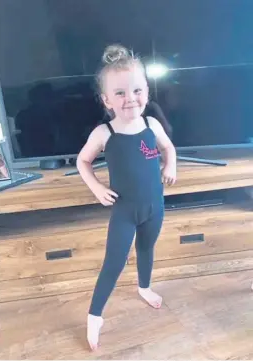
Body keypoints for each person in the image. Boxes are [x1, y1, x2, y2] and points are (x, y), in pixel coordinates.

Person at [76, 44, 177, 351]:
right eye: (119, 93)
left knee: (147, 248)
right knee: (114, 262)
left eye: (136, 90)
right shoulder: (104, 133)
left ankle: (144, 287)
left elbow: (168, 148)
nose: (130, 98)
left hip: (154, 207)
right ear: (106, 100)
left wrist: (170, 164)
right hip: (124, 210)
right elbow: (83, 162)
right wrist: (96, 188)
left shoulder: (152, 125)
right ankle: (95, 315)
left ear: (146, 91)